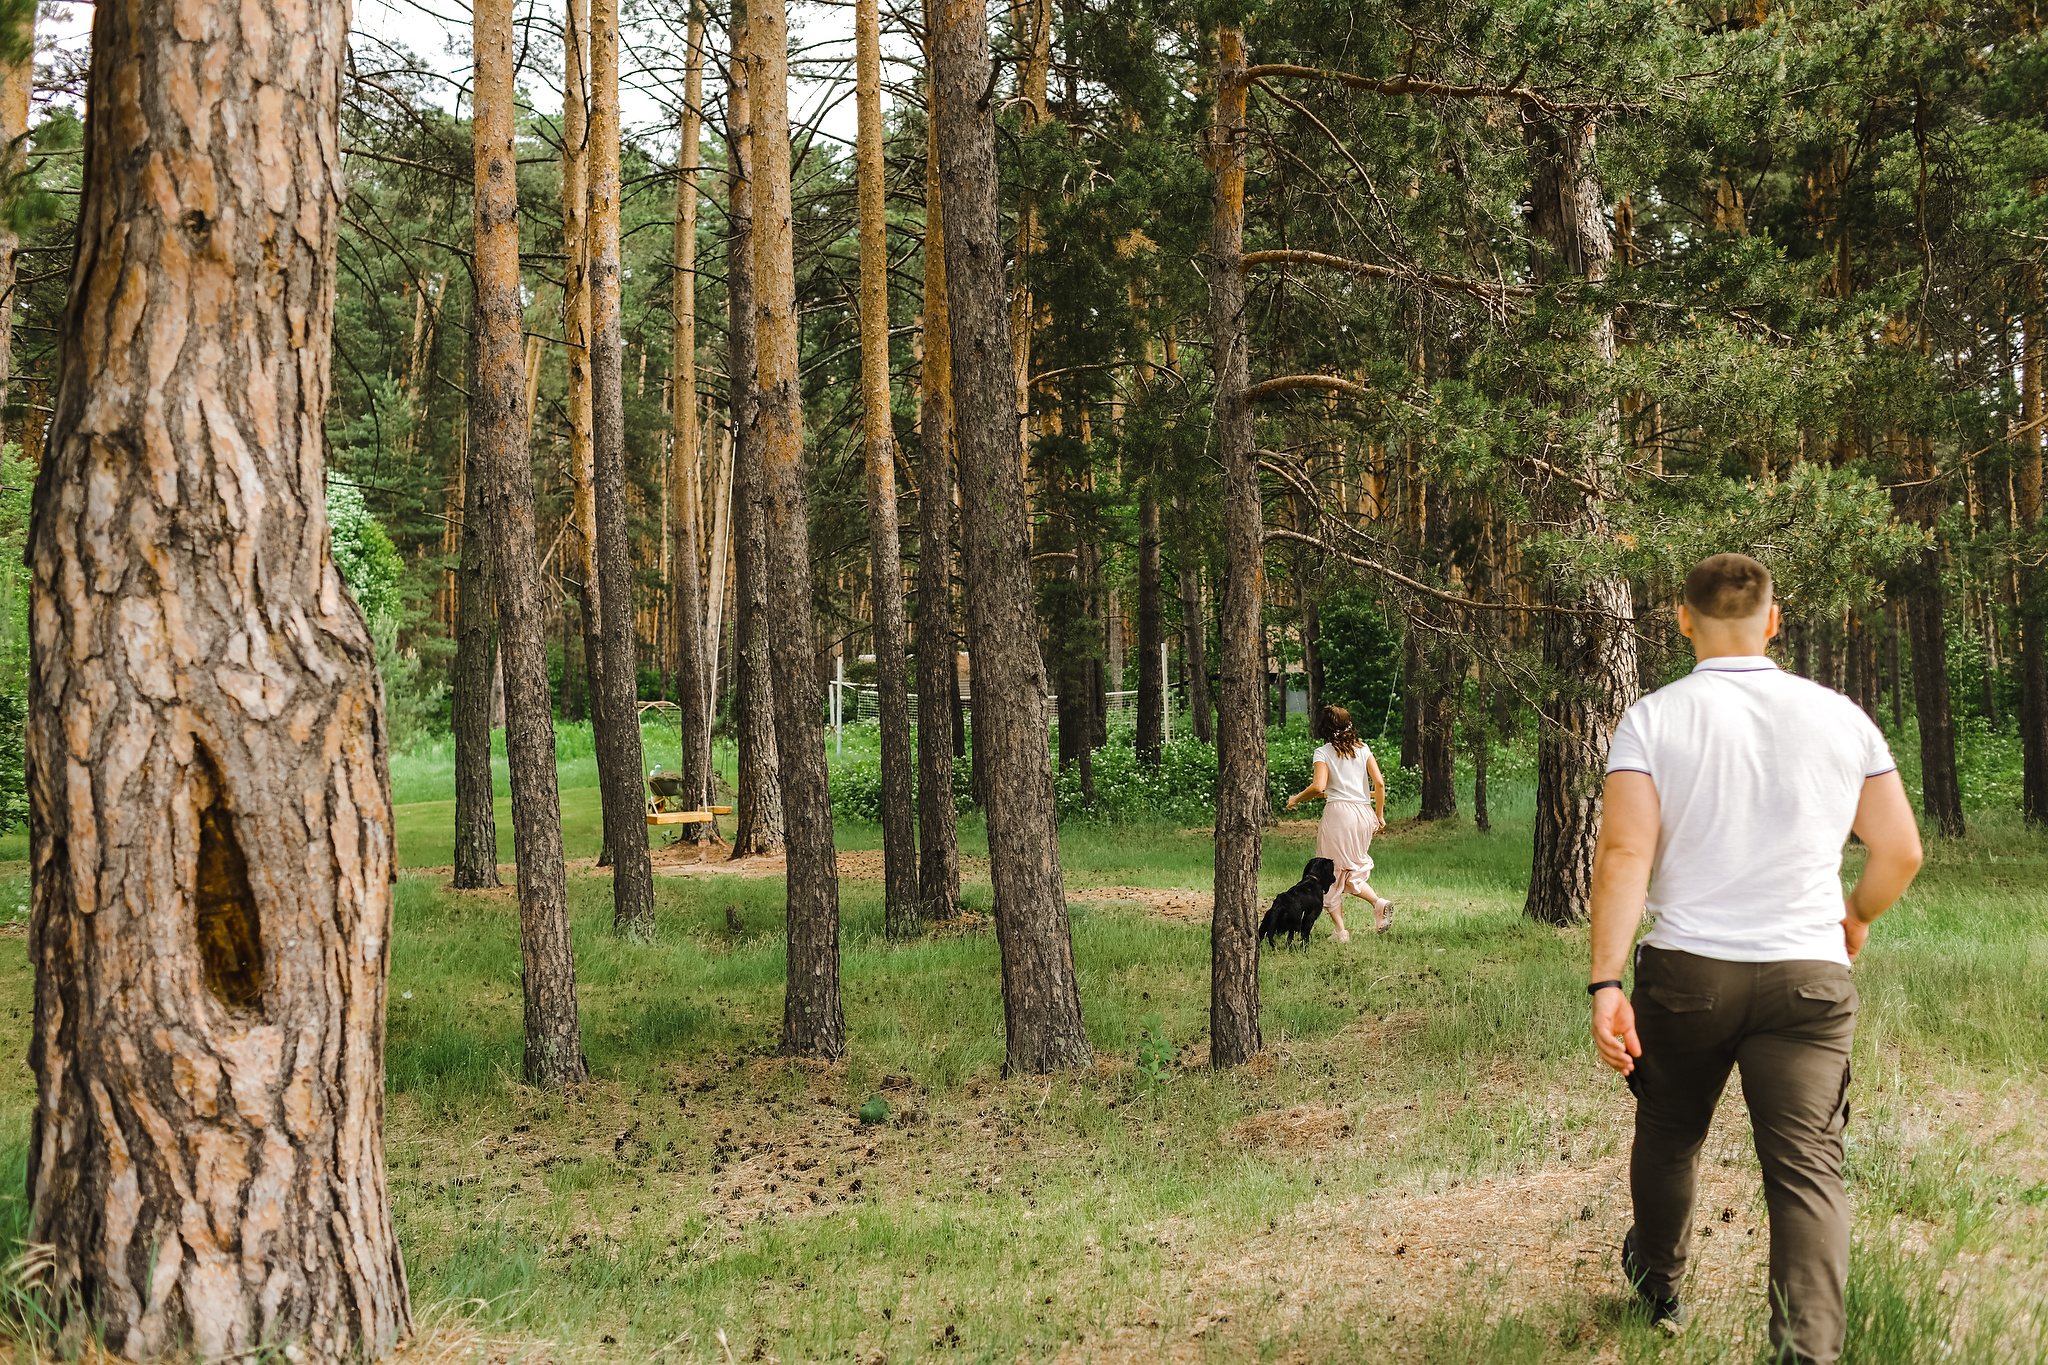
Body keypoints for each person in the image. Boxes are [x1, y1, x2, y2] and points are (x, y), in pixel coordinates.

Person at [1588, 553, 1924, 1362]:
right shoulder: (1841, 716)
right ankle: (1804, 1350)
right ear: (1774, 621)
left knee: (1669, 1134)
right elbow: (1900, 850)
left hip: (1686, 976)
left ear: (1682, 619)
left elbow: (1625, 851)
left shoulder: (1653, 719)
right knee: (1806, 1170)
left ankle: (1659, 1284)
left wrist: (1606, 979)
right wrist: (1856, 914)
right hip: (1808, 978)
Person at [1285, 704, 1394, 940]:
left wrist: (1296, 798)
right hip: (1364, 815)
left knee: (1327, 871)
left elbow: (1318, 786)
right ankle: (1378, 903)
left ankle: (1341, 930)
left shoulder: (1323, 752)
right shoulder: (1363, 748)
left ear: (1324, 726)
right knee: (1352, 869)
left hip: (1339, 815)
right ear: (1348, 724)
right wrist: (1379, 814)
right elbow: (1380, 783)